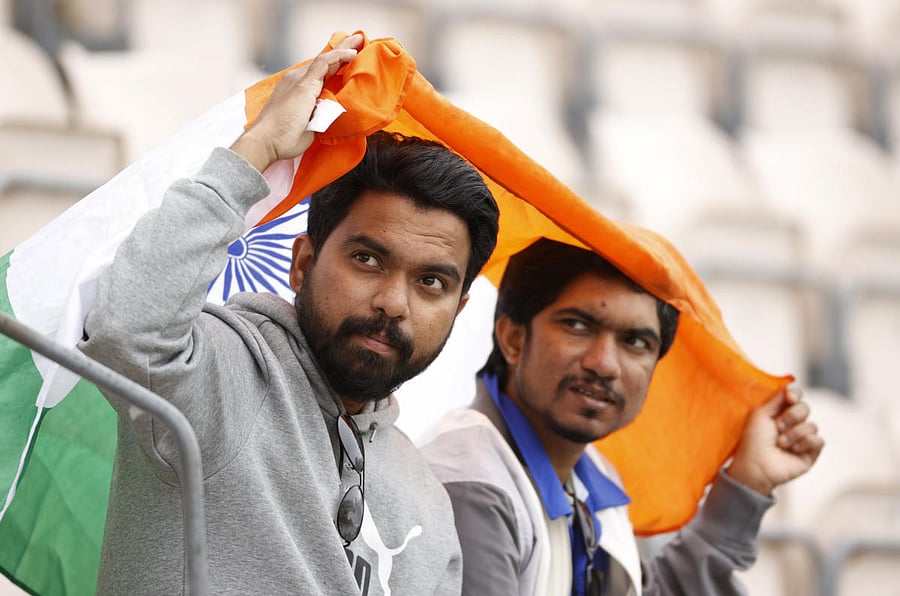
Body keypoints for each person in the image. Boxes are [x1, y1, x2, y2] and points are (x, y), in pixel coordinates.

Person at [77, 34, 500, 595]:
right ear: (302, 264)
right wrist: (256, 150)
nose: (393, 303)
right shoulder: (222, 378)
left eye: (431, 282)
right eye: (368, 259)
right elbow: (127, 327)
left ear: (459, 309)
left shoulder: (428, 502)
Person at [421, 238, 825, 595]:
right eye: (578, 325)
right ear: (513, 338)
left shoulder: (592, 478)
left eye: (635, 341)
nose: (605, 364)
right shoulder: (472, 487)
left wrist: (748, 480)